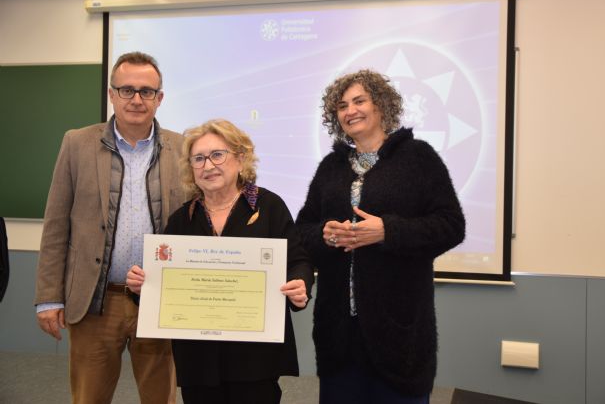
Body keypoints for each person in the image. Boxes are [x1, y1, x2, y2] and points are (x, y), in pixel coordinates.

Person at [296, 69, 466, 404]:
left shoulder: (419, 158)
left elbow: (451, 225)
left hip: (399, 336)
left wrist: (387, 231)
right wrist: (326, 234)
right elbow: (302, 231)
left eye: (359, 100)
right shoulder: (330, 167)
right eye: (342, 105)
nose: (350, 110)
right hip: (339, 337)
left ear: (381, 106)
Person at [126, 119, 314, 404]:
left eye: (217, 155)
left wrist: (300, 284)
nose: (207, 165)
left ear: (240, 159)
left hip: (254, 356)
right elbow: (160, 282)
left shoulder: (269, 207)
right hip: (198, 361)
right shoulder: (183, 218)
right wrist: (142, 286)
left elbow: (298, 261)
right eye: (198, 159)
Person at [34, 51, 183, 404]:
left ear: (160, 98)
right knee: (89, 397)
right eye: (127, 89)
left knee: (161, 397)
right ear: (111, 93)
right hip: (96, 301)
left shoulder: (182, 147)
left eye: (146, 91)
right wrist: (48, 298)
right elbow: (56, 225)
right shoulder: (76, 144)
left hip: (160, 299)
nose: (136, 99)